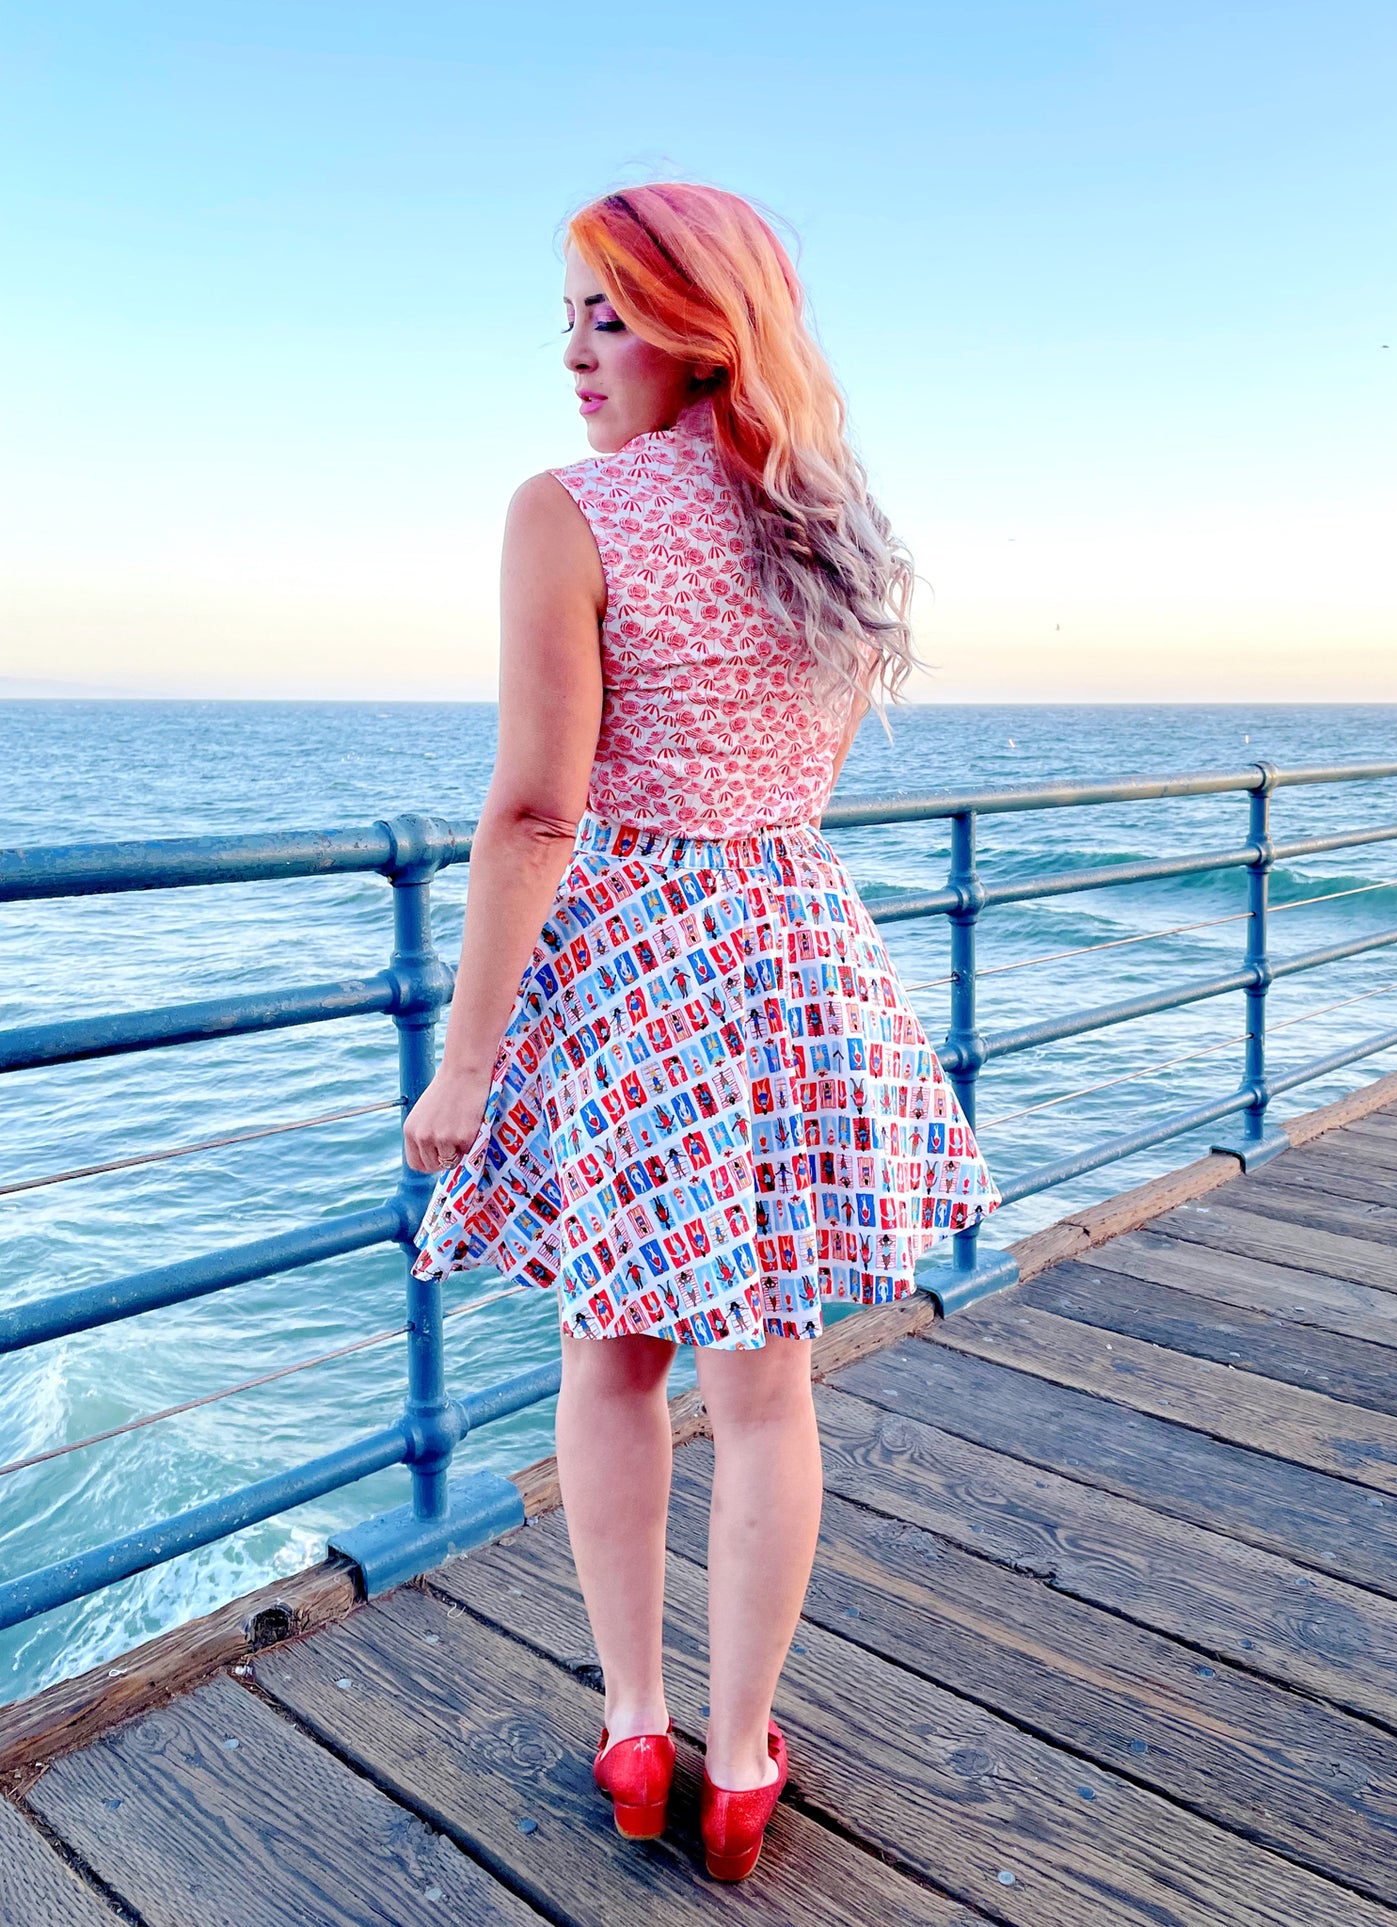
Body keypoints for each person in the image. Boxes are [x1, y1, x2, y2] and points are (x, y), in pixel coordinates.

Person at [402, 181, 1001, 1882]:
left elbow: (532, 815)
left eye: (609, 311)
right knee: (764, 1382)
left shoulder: (566, 510)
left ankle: (635, 1723)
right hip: (793, 945)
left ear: (698, 323)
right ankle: (737, 1766)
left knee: (613, 1353)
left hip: (640, 960)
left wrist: (465, 1061)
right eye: (570, 318)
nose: (577, 352)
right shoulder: (826, 518)